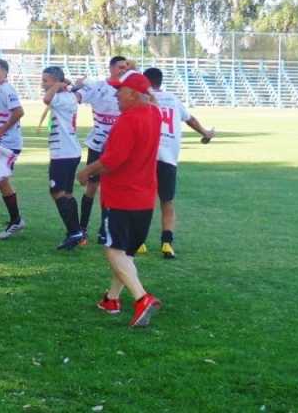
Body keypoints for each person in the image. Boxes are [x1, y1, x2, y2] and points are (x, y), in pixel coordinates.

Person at [77, 70, 163, 327]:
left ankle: (141, 298)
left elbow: (111, 161)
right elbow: (153, 101)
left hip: (122, 196)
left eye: (120, 91)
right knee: (126, 252)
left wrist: (86, 172)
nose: (115, 95)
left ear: (134, 95)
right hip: (144, 197)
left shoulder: (127, 121)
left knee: (113, 250)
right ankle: (112, 299)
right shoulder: (154, 114)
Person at [142, 68, 215, 259]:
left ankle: (139, 241)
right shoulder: (173, 99)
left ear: (145, 81)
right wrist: (206, 133)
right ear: (161, 81)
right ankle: (167, 243)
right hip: (168, 157)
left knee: (143, 199)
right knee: (167, 201)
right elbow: (190, 119)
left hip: (147, 156)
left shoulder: (143, 98)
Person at [72, 56, 130, 244]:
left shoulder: (129, 90)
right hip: (98, 144)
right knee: (92, 186)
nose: (123, 70)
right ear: (111, 68)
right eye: (120, 66)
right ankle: (82, 228)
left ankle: (104, 230)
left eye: (126, 67)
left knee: (112, 188)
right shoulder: (98, 87)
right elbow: (76, 97)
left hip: (119, 147)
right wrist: (74, 87)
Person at [40, 66, 85, 250]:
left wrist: (58, 85)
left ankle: (75, 232)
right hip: (69, 151)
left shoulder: (61, 98)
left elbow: (46, 99)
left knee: (57, 192)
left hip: (63, 153)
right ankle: (76, 231)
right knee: (66, 194)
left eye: (46, 80)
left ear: (55, 81)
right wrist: (62, 84)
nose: (42, 84)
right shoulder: (67, 96)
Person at [0, 59, 25, 240]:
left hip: (9, 143)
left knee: (1, 180)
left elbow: (19, 112)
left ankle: (16, 220)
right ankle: (15, 219)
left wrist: (1, 130)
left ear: (4, 73)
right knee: (0, 180)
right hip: (1, 142)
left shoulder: (7, 89)